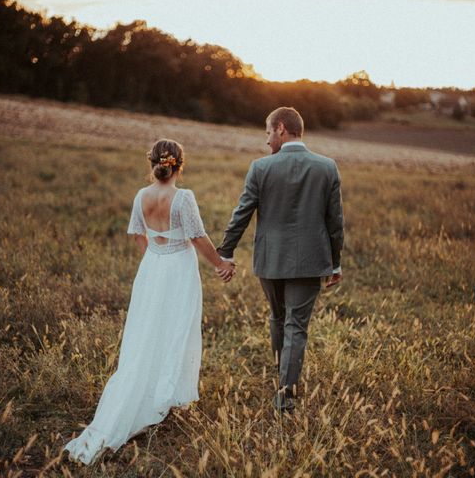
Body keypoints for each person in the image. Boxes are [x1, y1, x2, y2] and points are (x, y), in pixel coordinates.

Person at [64, 139, 235, 465]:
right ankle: (166, 391)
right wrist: (221, 264)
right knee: (176, 330)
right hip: (179, 272)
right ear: (179, 164)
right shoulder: (183, 198)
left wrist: (154, 260)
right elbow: (197, 237)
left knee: (148, 332)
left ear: (153, 163)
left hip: (152, 271)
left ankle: (156, 389)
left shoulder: (142, 196)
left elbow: (137, 234)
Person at [216, 106, 344, 413]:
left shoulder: (261, 168)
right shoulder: (327, 167)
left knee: (278, 318)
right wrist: (335, 262)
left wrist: (226, 251)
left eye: (268, 132)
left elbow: (242, 213)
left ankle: (282, 377)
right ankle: (285, 395)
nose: (267, 140)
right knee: (295, 326)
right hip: (312, 260)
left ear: (282, 129)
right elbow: (335, 221)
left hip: (271, 259)